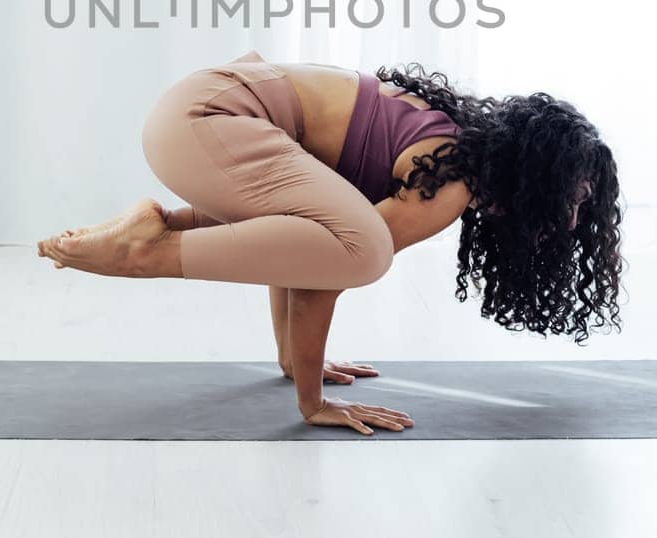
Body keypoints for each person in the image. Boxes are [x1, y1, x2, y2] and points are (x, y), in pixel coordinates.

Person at [36, 49, 624, 437]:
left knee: (335, 238)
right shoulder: (448, 180)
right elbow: (328, 270)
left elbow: (294, 246)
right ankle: (147, 250)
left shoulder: (447, 141)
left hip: (194, 115)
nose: (571, 222)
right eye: (570, 200)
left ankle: (155, 226)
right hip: (210, 122)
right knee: (364, 249)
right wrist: (314, 403)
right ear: (534, 180)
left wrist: (295, 362)